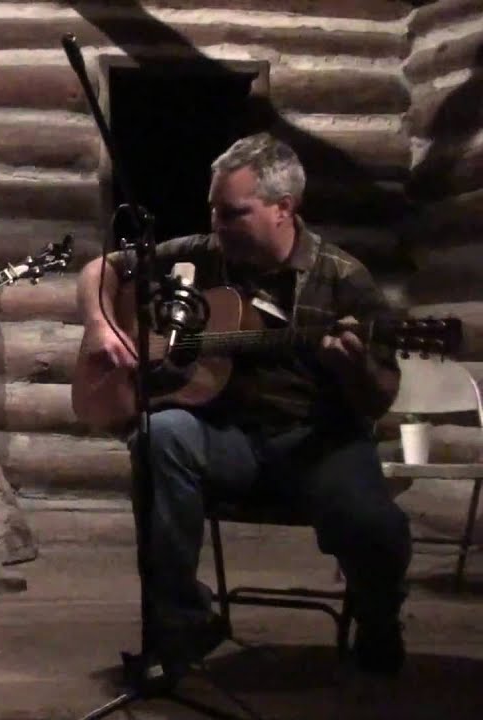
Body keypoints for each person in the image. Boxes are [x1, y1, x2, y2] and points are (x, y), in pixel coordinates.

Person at [75, 133, 411, 680]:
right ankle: (182, 624)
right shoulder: (206, 254)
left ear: (284, 209)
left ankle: (379, 618)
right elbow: (101, 269)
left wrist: (352, 366)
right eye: (213, 209)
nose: (217, 224)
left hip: (317, 442)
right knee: (159, 434)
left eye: (233, 213)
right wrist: (101, 325)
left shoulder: (342, 278)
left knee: (376, 524)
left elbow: (379, 396)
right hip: (227, 439)